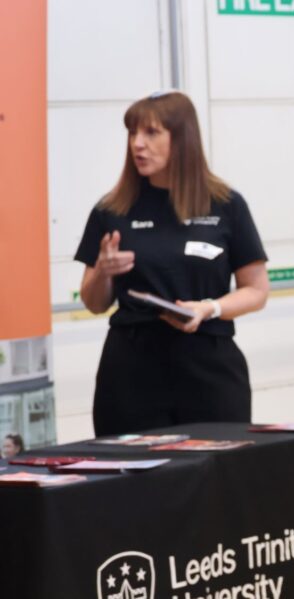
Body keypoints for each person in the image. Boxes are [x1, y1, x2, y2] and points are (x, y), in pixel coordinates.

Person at [75, 91, 269, 436]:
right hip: (131, 370)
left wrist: (207, 308)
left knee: (219, 479)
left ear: (182, 139)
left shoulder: (226, 205)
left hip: (209, 365)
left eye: (151, 133)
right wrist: (103, 272)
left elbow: (256, 291)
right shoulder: (111, 210)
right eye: (133, 133)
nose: (138, 144)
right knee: (133, 483)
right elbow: (93, 302)